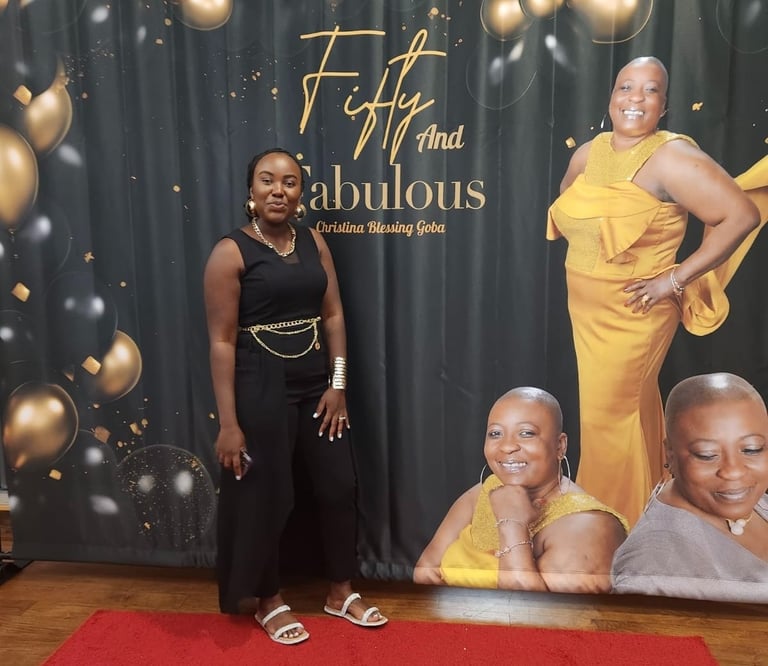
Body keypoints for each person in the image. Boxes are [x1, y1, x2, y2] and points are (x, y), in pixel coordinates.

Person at [547, 56, 768, 526]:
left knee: (610, 419)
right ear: (611, 96)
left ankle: (607, 528)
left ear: (663, 106)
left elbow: (742, 216)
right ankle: (645, 518)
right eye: (626, 87)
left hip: (635, 312)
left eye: (650, 91)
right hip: (587, 309)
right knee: (628, 412)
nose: (636, 99)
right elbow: (570, 207)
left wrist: (674, 278)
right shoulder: (588, 153)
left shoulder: (671, 156)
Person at [203, 148, 387, 646]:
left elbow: (334, 315)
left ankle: (340, 591)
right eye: (267, 180)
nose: (278, 190)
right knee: (267, 495)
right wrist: (229, 423)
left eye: (289, 182)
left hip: (316, 385)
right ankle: (268, 599)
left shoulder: (313, 241)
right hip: (258, 384)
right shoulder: (230, 252)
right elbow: (221, 342)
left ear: (301, 192)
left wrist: (338, 384)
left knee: (338, 485)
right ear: (251, 190)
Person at [413, 387, 628, 593]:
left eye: (526, 433)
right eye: (495, 433)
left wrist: (512, 524)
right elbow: (425, 571)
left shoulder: (590, 527)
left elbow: (534, 613)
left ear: (560, 446)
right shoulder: (488, 489)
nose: (507, 446)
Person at [611, 372, 768, 602]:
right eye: (707, 455)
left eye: (752, 449)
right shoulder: (653, 568)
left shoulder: (752, 500)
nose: (733, 471)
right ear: (670, 454)